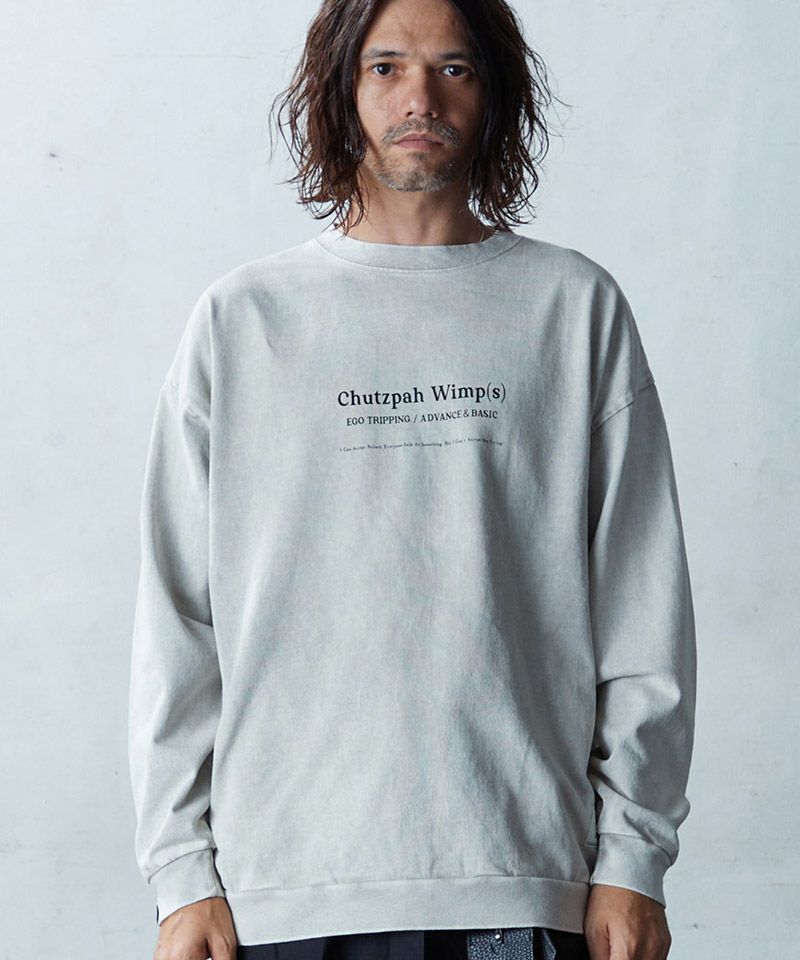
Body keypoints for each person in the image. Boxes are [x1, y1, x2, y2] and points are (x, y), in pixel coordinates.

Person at [127, 0, 697, 959]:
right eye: (386, 66)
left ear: (494, 93)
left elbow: (644, 607)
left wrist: (632, 859)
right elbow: (177, 619)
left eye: (453, 68)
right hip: (285, 891)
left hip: (520, 875)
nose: (419, 97)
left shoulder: (572, 308)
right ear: (340, 90)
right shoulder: (242, 321)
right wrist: (182, 874)